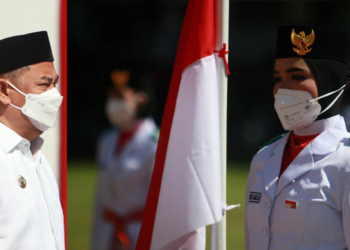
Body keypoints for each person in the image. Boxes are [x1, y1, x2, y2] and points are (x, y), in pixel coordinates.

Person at [245, 25, 350, 249]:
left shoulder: (346, 163)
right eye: (277, 78)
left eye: (297, 76)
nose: (282, 89)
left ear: (332, 82)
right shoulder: (263, 157)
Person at [0, 32, 64, 249]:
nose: (54, 95)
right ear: (3, 90)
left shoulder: (35, 154)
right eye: (44, 85)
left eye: (54, 84)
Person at [92, 69, 158, 250]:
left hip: (140, 235)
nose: (113, 102)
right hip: (107, 234)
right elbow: (100, 199)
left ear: (141, 100)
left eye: (120, 96)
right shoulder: (107, 140)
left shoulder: (156, 144)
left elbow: (162, 205)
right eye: (111, 95)